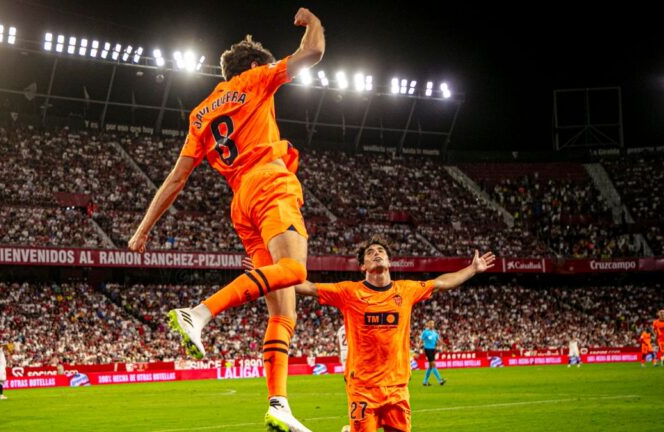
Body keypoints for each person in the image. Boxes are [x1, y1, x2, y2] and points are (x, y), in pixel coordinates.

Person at [128, 8, 324, 431]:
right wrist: (313, 22)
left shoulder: (200, 114)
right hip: (270, 181)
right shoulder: (255, 79)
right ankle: (199, 313)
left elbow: (177, 178)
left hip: (241, 203)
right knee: (294, 268)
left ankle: (278, 403)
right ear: (254, 65)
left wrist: (143, 229)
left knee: (284, 311)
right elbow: (314, 53)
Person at [292, 237, 495, 431]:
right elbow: (308, 287)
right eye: (370, 253)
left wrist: (473, 269)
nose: (377, 254)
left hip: (397, 389)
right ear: (362, 266)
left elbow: (441, 283)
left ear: (389, 261)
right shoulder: (349, 292)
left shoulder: (406, 290)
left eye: (381, 251)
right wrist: (269, 275)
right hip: (363, 389)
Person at [420, 320, 445, 386]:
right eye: (430, 323)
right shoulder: (425, 332)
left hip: (433, 350)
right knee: (433, 364)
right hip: (427, 350)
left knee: (430, 366)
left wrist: (443, 345)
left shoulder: (435, 333)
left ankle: (425, 382)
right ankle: (440, 380)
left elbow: (439, 340)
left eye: (433, 323)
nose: (432, 324)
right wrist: (418, 348)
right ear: (428, 324)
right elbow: (421, 340)